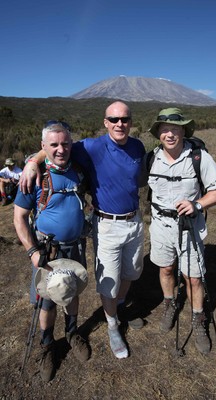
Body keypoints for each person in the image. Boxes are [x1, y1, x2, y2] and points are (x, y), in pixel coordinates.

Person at [19, 102, 146, 360]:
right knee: (51, 297)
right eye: (114, 119)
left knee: (118, 276)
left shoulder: (136, 147)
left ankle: (81, 328)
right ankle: (52, 345)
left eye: (125, 119)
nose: (120, 123)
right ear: (105, 121)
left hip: (122, 225)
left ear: (131, 121)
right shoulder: (89, 147)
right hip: (77, 235)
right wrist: (32, 161)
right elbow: (54, 146)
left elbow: (59, 148)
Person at [145, 107, 216, 354]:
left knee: (193, 277)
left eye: (175, 129)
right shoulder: (151, 158)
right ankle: (170, 304)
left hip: (190, 226)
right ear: (158, 132)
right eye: (165, 129)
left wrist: (198, 204)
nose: (170, 134)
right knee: (166, 268)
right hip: (160, 225)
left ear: (184, 130)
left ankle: (198, 318)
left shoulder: (198, 156)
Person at [14, 121, 90, 382]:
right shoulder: (34, 177)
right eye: (54, 145)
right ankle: (47, 346)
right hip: (48, 251)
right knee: (47, 300)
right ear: (43, 147)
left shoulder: (79, 171)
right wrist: (33, 251)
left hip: (76, 247)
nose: (61, 149)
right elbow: (19, 219)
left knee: (72, 291)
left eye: (65, 143)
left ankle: (72, 333)